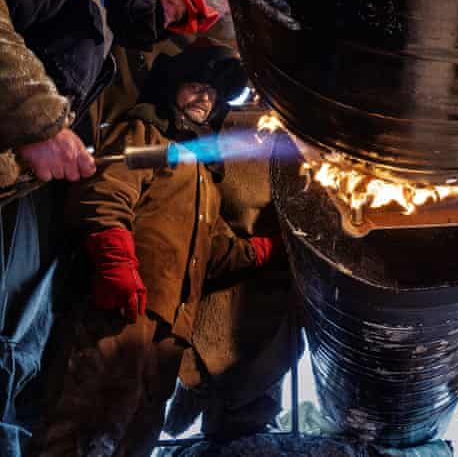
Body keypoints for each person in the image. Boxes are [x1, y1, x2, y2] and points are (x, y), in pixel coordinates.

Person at [0, 0, 231, 455]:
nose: (169, 21)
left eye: (179, 24)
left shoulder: (101, 45)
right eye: (174, 0)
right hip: (117, 304)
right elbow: (107, 189)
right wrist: (42, 124)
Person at [26, 44, 280, 457]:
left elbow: (212, 250)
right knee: (78, 424)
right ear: (174, 87)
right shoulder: (147, 136)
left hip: (169, 333)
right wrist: (115, 262)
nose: (204, 98)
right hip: (120, 310)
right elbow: (107, 189)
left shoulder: (204, 177)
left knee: (134, 438)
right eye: (196, 86)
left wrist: (264, 251)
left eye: (212, 94)